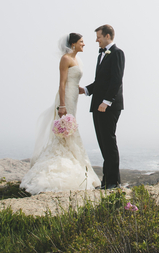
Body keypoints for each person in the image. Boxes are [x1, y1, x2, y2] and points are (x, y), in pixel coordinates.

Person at [21, 33, 101, 194]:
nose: (84, 44)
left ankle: (73, 159)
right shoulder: (65, 59)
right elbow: (62, 84)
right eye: (81, 42)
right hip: (66, 98)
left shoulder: (77, 59)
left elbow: (73, 81)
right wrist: (62, 105)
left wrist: (81, 90)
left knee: (71, 128)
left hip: (74, 96)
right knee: (67, 129)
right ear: (73, 44)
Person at [80, 24, 125, 189]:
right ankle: (107, 181)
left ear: (107, 36)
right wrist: (86, 90)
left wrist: (106, 102)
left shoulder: (117, 53)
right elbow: (101, 81)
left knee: (109, 143)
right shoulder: (102, 54)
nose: (96, 40)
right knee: (103, 143)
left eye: (98, 37)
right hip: (98, 105)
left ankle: (113, 182)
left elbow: (116, 79)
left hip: (108, 106)